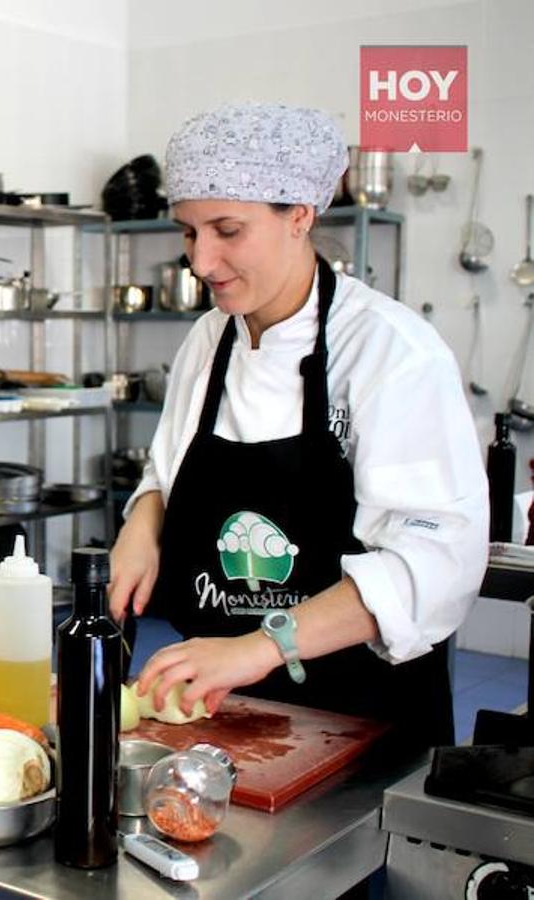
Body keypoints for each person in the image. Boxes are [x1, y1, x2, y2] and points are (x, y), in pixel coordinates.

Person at [109, 103, 487, 751]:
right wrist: (142, 526)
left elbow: (436, 558)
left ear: (300, 217)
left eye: (228, 230)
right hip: (224, 707)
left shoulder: (391, 351)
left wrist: (264, 645)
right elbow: (166, 470)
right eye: (189, 232)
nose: (202, 261)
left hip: (361, 718)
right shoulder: (208, 339)